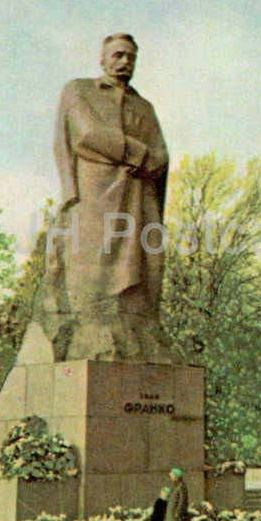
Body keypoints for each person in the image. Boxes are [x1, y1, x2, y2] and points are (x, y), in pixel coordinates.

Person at [32, 33, 171, 360]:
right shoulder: (79, 90)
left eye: (131, 58)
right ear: (103, 58)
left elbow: (162, 155)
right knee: (94, 261)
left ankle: (136, 330)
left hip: (139, 199)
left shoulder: (143, 106)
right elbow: (88, 135)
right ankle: (90, 330)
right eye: (118, 55)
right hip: (96, 195)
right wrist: (138, 153)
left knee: (144, 266)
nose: (125, 63)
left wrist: (148, 159)